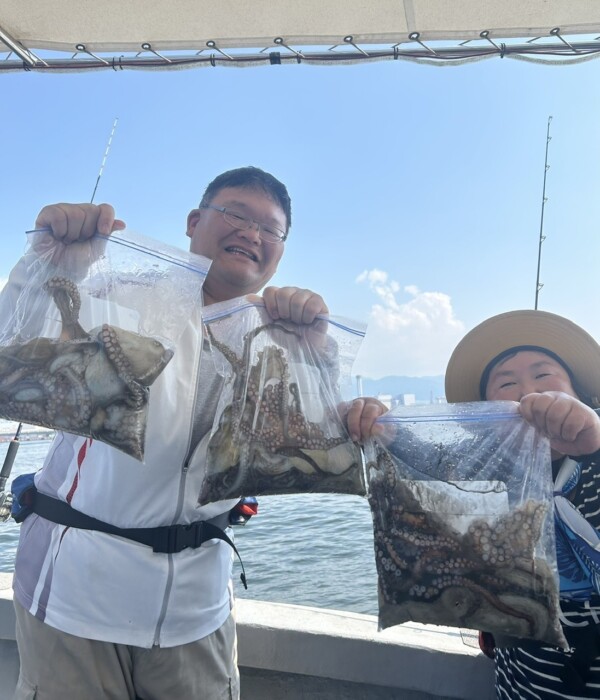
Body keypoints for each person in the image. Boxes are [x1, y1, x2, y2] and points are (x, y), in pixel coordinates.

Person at [4, 166, 382, 700]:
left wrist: (321, 360)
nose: (252, 233)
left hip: (196, 608)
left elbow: (314, 439)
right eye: (236, 214)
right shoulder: (110, 289)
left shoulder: (281, 337)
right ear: (193, 221)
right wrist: (47, 261)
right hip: (71, 594)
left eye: (270, 229)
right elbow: (13, 345)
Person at [444, 309, 600, 699]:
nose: (527, 392)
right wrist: (374, 424)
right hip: (523, 688)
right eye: (506, 383)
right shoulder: (478, 482)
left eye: (544, 375)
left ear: (582, 395)